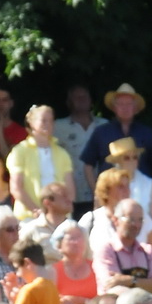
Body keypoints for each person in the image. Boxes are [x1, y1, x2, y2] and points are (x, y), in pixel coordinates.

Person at [81, 84, 152, 191]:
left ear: (135, 108)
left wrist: (151, 191)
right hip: (110, 193)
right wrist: (98, 193)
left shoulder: (147, 133)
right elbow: (88, 166)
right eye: (121, 104)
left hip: (141, 193)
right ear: (114, 108)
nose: (125, 108)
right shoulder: (101, 132)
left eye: (129, 104)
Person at [90, 199, 152, 300]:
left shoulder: (147, 251)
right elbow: (111, 286)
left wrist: (129, 280)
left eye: (140, 220)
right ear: (115, 220)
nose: (137, 225)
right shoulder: (106, 251)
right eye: (131, 219)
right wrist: (147, 284)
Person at [6, 107, 75, 219]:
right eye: (43, 120)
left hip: (60, 216)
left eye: (51, 120)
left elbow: (70, 189)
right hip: (29, 217)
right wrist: (36, 210)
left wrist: (62, 211)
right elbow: (16, 187)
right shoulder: (19, 151)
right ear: (31, 123)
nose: (48, 124)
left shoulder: (62, 153)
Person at [105, 138, 152, 242]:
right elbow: (102, 216)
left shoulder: (148, 183)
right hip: (113, 243)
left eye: (135, 157)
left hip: (143, 243)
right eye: (127, 158)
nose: (132, 161)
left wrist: (144, 240)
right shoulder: (107, 183)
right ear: (117, 161)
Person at [55, 86, 99, 214]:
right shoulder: (57, 127)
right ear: (69, 102)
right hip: (71, 195)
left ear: (91, 100)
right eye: (76, 97)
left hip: (100, 194)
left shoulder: (104, 125)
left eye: (84, 96)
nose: (81, 100)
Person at [53, 222, 100, 304]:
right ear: (59, 244)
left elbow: (105, 301)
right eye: (72, 238)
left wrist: (81, 301)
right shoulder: (52, 271)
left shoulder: (97, 268)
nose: (76, 242)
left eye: (79, 237)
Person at [4, 238, 61, 304]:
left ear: (27, 263)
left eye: (17, 268)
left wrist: (11, 300)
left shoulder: (29, 290)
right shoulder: (52, 286)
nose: (18, 274)